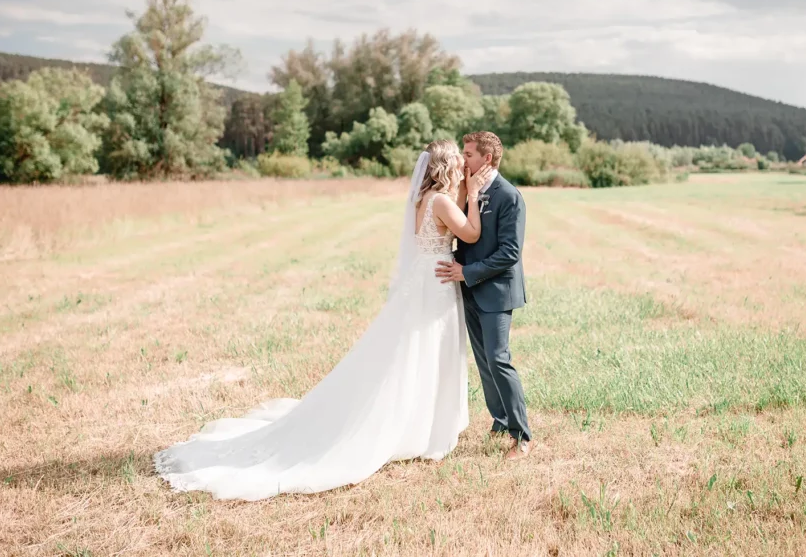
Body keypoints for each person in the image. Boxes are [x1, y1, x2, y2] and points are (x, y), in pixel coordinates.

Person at [153, 139, 492, 500]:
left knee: (414, 352)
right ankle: (422, 428)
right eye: (459, 162)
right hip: (435, 282)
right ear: (447, 166)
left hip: (423, 279)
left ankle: (421, 422)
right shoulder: (442, 199)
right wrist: (472, 193)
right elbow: (470, 233)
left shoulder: (422, 198)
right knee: (427, 351)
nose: (462, 168)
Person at [436, 131, 533, 459]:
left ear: (486, 159)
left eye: (469, 154)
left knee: (498, 359)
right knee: (483, 361)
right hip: (469, 291)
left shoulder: (509, 196)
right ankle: (500, 421)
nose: (463, 159)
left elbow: (510, 253)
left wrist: (468, 272)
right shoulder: (468, 191)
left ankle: (522, 436)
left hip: (496, 291)